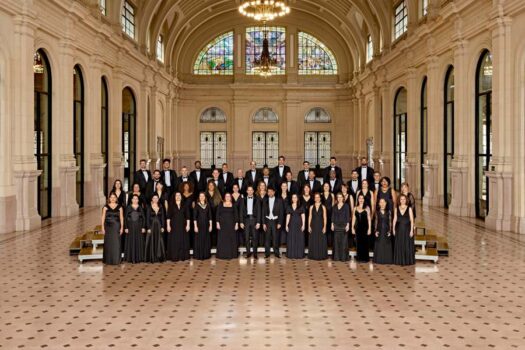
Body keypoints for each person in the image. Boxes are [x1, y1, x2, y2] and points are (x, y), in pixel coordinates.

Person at [166, 192, 191, 262]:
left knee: (183, 240)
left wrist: (188, 225)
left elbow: (188, 216)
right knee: (174, 241)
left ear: (181, 197)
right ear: (174, 197)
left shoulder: (185, 205)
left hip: (183, 226)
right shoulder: (171, 205)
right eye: (176, 195)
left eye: (179, 195)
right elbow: (168, 217)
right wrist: (168, 226)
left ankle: (183, 256)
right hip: (173, 226)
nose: (178, 196)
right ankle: (174, 256)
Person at [101, 192, 124, 265]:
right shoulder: (105, 207)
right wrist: (102, 227)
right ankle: (108, 259)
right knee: (108, 243)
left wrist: (122, 227)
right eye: (111, 197)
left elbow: (121, 218)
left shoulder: (120, 207)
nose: (113, 199)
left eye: (114, 197)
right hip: (108, 227)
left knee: (116, 243)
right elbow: (103, 218)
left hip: (117, 227)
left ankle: (116, 259)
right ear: (109, 198)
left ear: (116, 198)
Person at [393, 194, 415, 266]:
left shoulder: (409, 209)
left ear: (406, 200)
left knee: (406, 245)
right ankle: (399, 260)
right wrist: (393, 229)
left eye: (404, 199)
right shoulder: (396, 208)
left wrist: (411, 230)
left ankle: (407, 261)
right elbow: (395, 219)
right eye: (401, 199)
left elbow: (412, 220)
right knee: (399, 245)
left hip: (407, 229)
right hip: (399, 229)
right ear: (399, 200)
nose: (402, 201)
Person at [262, 186, 284, 258]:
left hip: (276, 221)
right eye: (268, 191)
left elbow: (281, 212)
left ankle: (276, 253)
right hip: (267, 221)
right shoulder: (265, 201)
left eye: (271, 191)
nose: (270, 193)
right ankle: (267, 253)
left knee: (275, 237)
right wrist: (264, 223)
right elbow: (263, 213)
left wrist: (280, 223)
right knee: (267, 238)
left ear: (274, 192)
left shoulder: (279, 200)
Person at [216, 193, 239, 260]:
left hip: (231, 225)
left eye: (229, 196)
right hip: (222, 225)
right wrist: (217, 223)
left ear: (231, 197)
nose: (228, 197)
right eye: (226, 196)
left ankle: (232, 254)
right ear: (224, 197)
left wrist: (236, 224)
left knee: (231, 239)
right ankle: (222, 254)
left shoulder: (233, 205)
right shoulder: (220, 204)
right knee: (222, 239)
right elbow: (217, 214)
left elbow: (236, 215)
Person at [123, 194, 145, 264]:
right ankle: (130, 257)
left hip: (139, 227)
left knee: (138, 241)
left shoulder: (140, 207)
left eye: (136, 199)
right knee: (131, 241)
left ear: (138, 200)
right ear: (131, 200)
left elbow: (143, 218)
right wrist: (126, 227)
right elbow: (125, 218)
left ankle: (139, 257)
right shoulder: (128, 207)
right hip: (130, 227)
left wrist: (143, 227)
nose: (135, 200)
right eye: (134, 199)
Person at [145, 194, 167, 263]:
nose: (155, 199)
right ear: (152, 199)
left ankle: (159, 257)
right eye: (154, 198)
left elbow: (163, 217)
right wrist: (148, 227)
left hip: (159, 226)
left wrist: (163, 226)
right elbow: (147, 218)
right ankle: (152, 257)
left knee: (160, 241)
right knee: (151, 240)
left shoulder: (161, 207)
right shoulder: (149, 207)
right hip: (151, 227)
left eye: (156, 198)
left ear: (158, 199)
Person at [241, 185, 261, 258]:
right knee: (246, 237)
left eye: (251, 190)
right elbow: (241, 211)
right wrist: (241, 222)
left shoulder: (257, 199)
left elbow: (259, 211)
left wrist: (258, 222)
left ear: (253, 191)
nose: (249, 191)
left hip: (254, 220)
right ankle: (248, 253)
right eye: (248, 190)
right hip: (246, 220)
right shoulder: (243, 200)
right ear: (247, 191)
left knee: (255, 237)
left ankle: (255, 254)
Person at [352, 193, 371, 262]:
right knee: (358, 243)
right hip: (358, 228)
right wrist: (352, 228)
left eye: (362, 198)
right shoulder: (355, 208)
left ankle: (365, 258)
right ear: (358, 199)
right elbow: (354, 218)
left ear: (364, 199)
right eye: (359, 198)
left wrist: (369, 229)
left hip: (365, 228)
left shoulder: (367, 208)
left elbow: (369, 219)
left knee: (365, 243)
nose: (361, 200)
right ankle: (359, 258)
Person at [308, 192, 328, 260]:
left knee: (321, 239)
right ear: (314, 199)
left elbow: (325, 217)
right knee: (313, 239)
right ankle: (313, 255)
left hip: (320, 225)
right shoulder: (311, 207)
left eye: (318, 197)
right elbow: (310, 216)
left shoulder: (323, 207)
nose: (317, 198)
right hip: (313, 225)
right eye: (316, 197)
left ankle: (321, 255)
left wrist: (325, 226)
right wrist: (309, 226)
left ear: (320, 198)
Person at [373, 198, 393, 264]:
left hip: (386, 231)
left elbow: (390, 222)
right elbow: (376, 222)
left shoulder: (389, 212)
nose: (382, 204)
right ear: (379, 204)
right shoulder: (377, 212)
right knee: (379, 245)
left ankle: (387, 260)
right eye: (381, 202)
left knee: (386, 245)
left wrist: (390, 231)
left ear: (386, 203)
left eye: (383, 202)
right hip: (380, 231)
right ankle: (379, 259)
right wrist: (375, 231)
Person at [193, 192, 212, 260]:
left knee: (206, 239)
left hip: (206, 225)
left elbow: (210, 216)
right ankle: (199, 255)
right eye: (200, 196)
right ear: (199, 197)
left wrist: (210, 225)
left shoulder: (208, 205)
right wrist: (195, 226)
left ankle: (206, 255)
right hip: (199, 225)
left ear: (205, 197)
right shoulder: (197, 205)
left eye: (203, 196)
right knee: (199, 240)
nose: (201, 197)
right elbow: (194, 217)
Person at [285, 194, 305, 259]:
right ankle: (291, 254)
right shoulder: (289, 206)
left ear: (297, 198)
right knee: (291, 238)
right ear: (291, 199)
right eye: (293, 197)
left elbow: (303, 216)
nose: (294, 198)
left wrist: (303, 225)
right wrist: (286, 225)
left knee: (299, 239)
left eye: (295, 197)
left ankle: (299, 254)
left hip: (299, 225)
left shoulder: (301, 206)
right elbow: (288, 216)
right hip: (291, 225)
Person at [331, 193, 350, 262]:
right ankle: (336, 257)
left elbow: (348, 216)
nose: (339, 198)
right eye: (338, 197)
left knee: (344, 242)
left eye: (340, 197)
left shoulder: (346, 206)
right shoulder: (334, 206)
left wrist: (348, 225)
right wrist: (332, 224)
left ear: (343, 198)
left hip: (344, 226)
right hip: (336, 226)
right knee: (336, 242)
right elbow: (333, 216)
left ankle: (343, 258)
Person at [206, 180, 222, 248]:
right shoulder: (205, 194)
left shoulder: (218, 194)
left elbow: (220, 205)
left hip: (216, 214)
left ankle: (216, 244)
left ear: (214, 186)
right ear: (208, 186)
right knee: (209, 229)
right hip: (207, 215)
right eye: (209, 185)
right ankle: (209, 244)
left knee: (216, 229)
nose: (211, 186)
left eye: (212, 185)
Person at [321, 182, 335, 248]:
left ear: (329, 187)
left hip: (330, 214)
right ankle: (323, 243)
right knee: (323, 228)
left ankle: (329, 244)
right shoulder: (321, 195)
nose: (326, 187)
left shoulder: (332, 195)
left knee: (329, 229)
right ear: (323, 187)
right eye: (325, 186)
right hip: (322, 215)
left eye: (327, 186)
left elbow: (333, 205)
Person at [231, 183, 244, 248]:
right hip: (232, 214)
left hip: (240, 214)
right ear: (232, 189)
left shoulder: (241, 196)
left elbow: (243, 206)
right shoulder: (230, 196)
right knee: (234, 229)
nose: (235, 189)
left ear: (238, 188)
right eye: (234, 187)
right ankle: (234, 243)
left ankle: (241, 243)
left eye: (236, 187)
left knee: (240, 229)